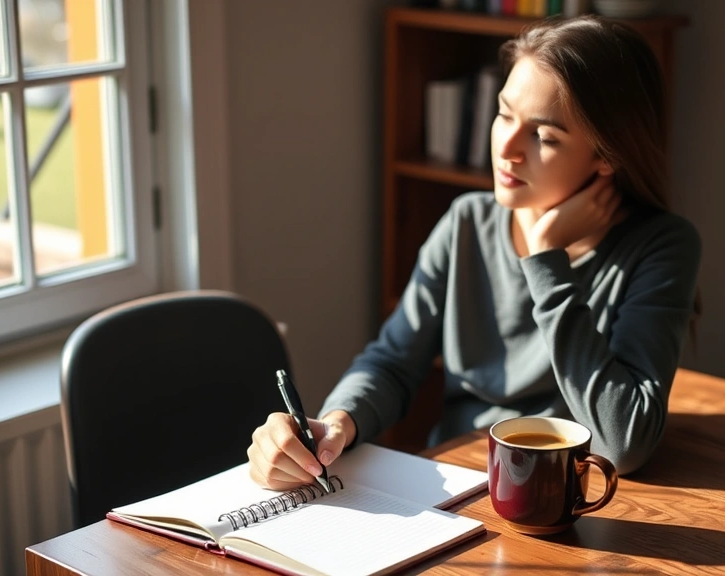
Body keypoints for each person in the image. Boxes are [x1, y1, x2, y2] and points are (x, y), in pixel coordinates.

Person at [248, 15, 702, 488]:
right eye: (504, 113)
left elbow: (624, 442)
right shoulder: (468, 222)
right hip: (457, 479)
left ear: (607, 155)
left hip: (566, 493)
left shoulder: (661, 247)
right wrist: (337, 423)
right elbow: (392, 362)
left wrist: (546, 261)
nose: (506, 147)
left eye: (543, 137)